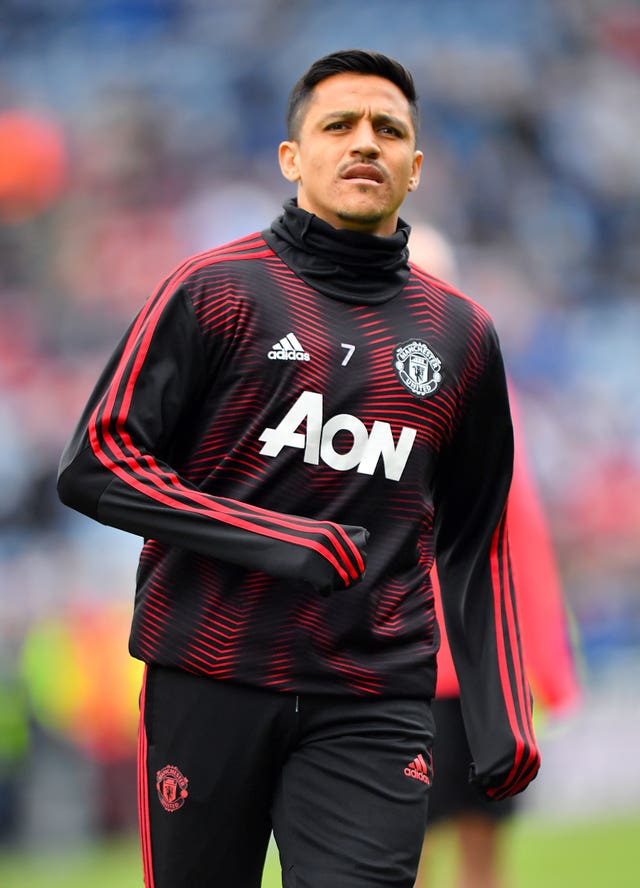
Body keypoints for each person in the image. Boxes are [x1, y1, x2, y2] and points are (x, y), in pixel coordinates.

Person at [57, 49, 540, 888]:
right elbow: (95, 461)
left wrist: (500, 707)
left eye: (389, 129)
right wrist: (272, 537)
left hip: (373, 697)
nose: (365, 142)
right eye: (338, 125)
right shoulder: (213, 289)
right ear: (293, 157)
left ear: (416, 167)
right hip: (208, 676)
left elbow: (477, 536)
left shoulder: (461, 335)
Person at [407, 225, 581, 888]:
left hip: (481, 668)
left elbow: (522, 537)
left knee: (479, 846)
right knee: (405, 845)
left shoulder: (485, 393)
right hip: (401, 667)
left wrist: (551, 664)